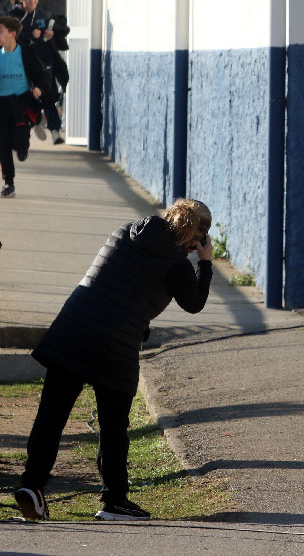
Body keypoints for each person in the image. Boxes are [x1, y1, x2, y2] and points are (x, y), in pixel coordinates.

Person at [14, 199, 214, 522]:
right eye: (198, 242)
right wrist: (204, 263)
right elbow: (194, 303)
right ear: (196, 236)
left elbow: (122, 281)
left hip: (73, 327)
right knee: (113, 424)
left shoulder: (126, 232)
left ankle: (32, 487)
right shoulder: (176, 263)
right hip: (113, 345)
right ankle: (114, 500)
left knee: (52, 414)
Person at [8, 0, 67, 144]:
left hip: (44, 62)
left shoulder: (43, 15)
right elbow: (9, 36)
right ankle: (34, 122)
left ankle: (55, 131)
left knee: (47, 94)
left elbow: (51, 32)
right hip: (23, 63)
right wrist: (28, 34)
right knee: (27, 96)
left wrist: (50, 34)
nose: (32, 0)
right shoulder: (14, 15)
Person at [0, 15, 51, 198]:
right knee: (3, 143)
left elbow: (43, 74)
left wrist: (39, 88)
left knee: (18, 142)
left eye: (1, 31)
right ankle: (9, 184)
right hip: (2, 104)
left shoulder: (26, 53)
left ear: (12, 34)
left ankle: (23, 146)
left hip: (21, 102)